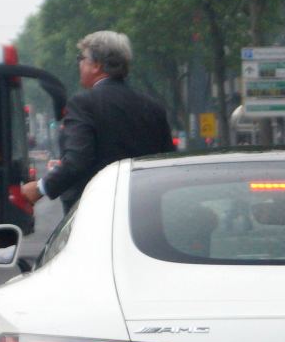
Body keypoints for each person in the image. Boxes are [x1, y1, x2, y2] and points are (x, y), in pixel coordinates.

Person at [21, 30, 172, 213]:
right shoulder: (154, 107)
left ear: (96, 65)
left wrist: (39, 188)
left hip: (98, 214)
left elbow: (78, 160)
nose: (79, 64)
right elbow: (166, 163)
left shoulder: (83, 105)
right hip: (146, 212)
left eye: (81, 58)